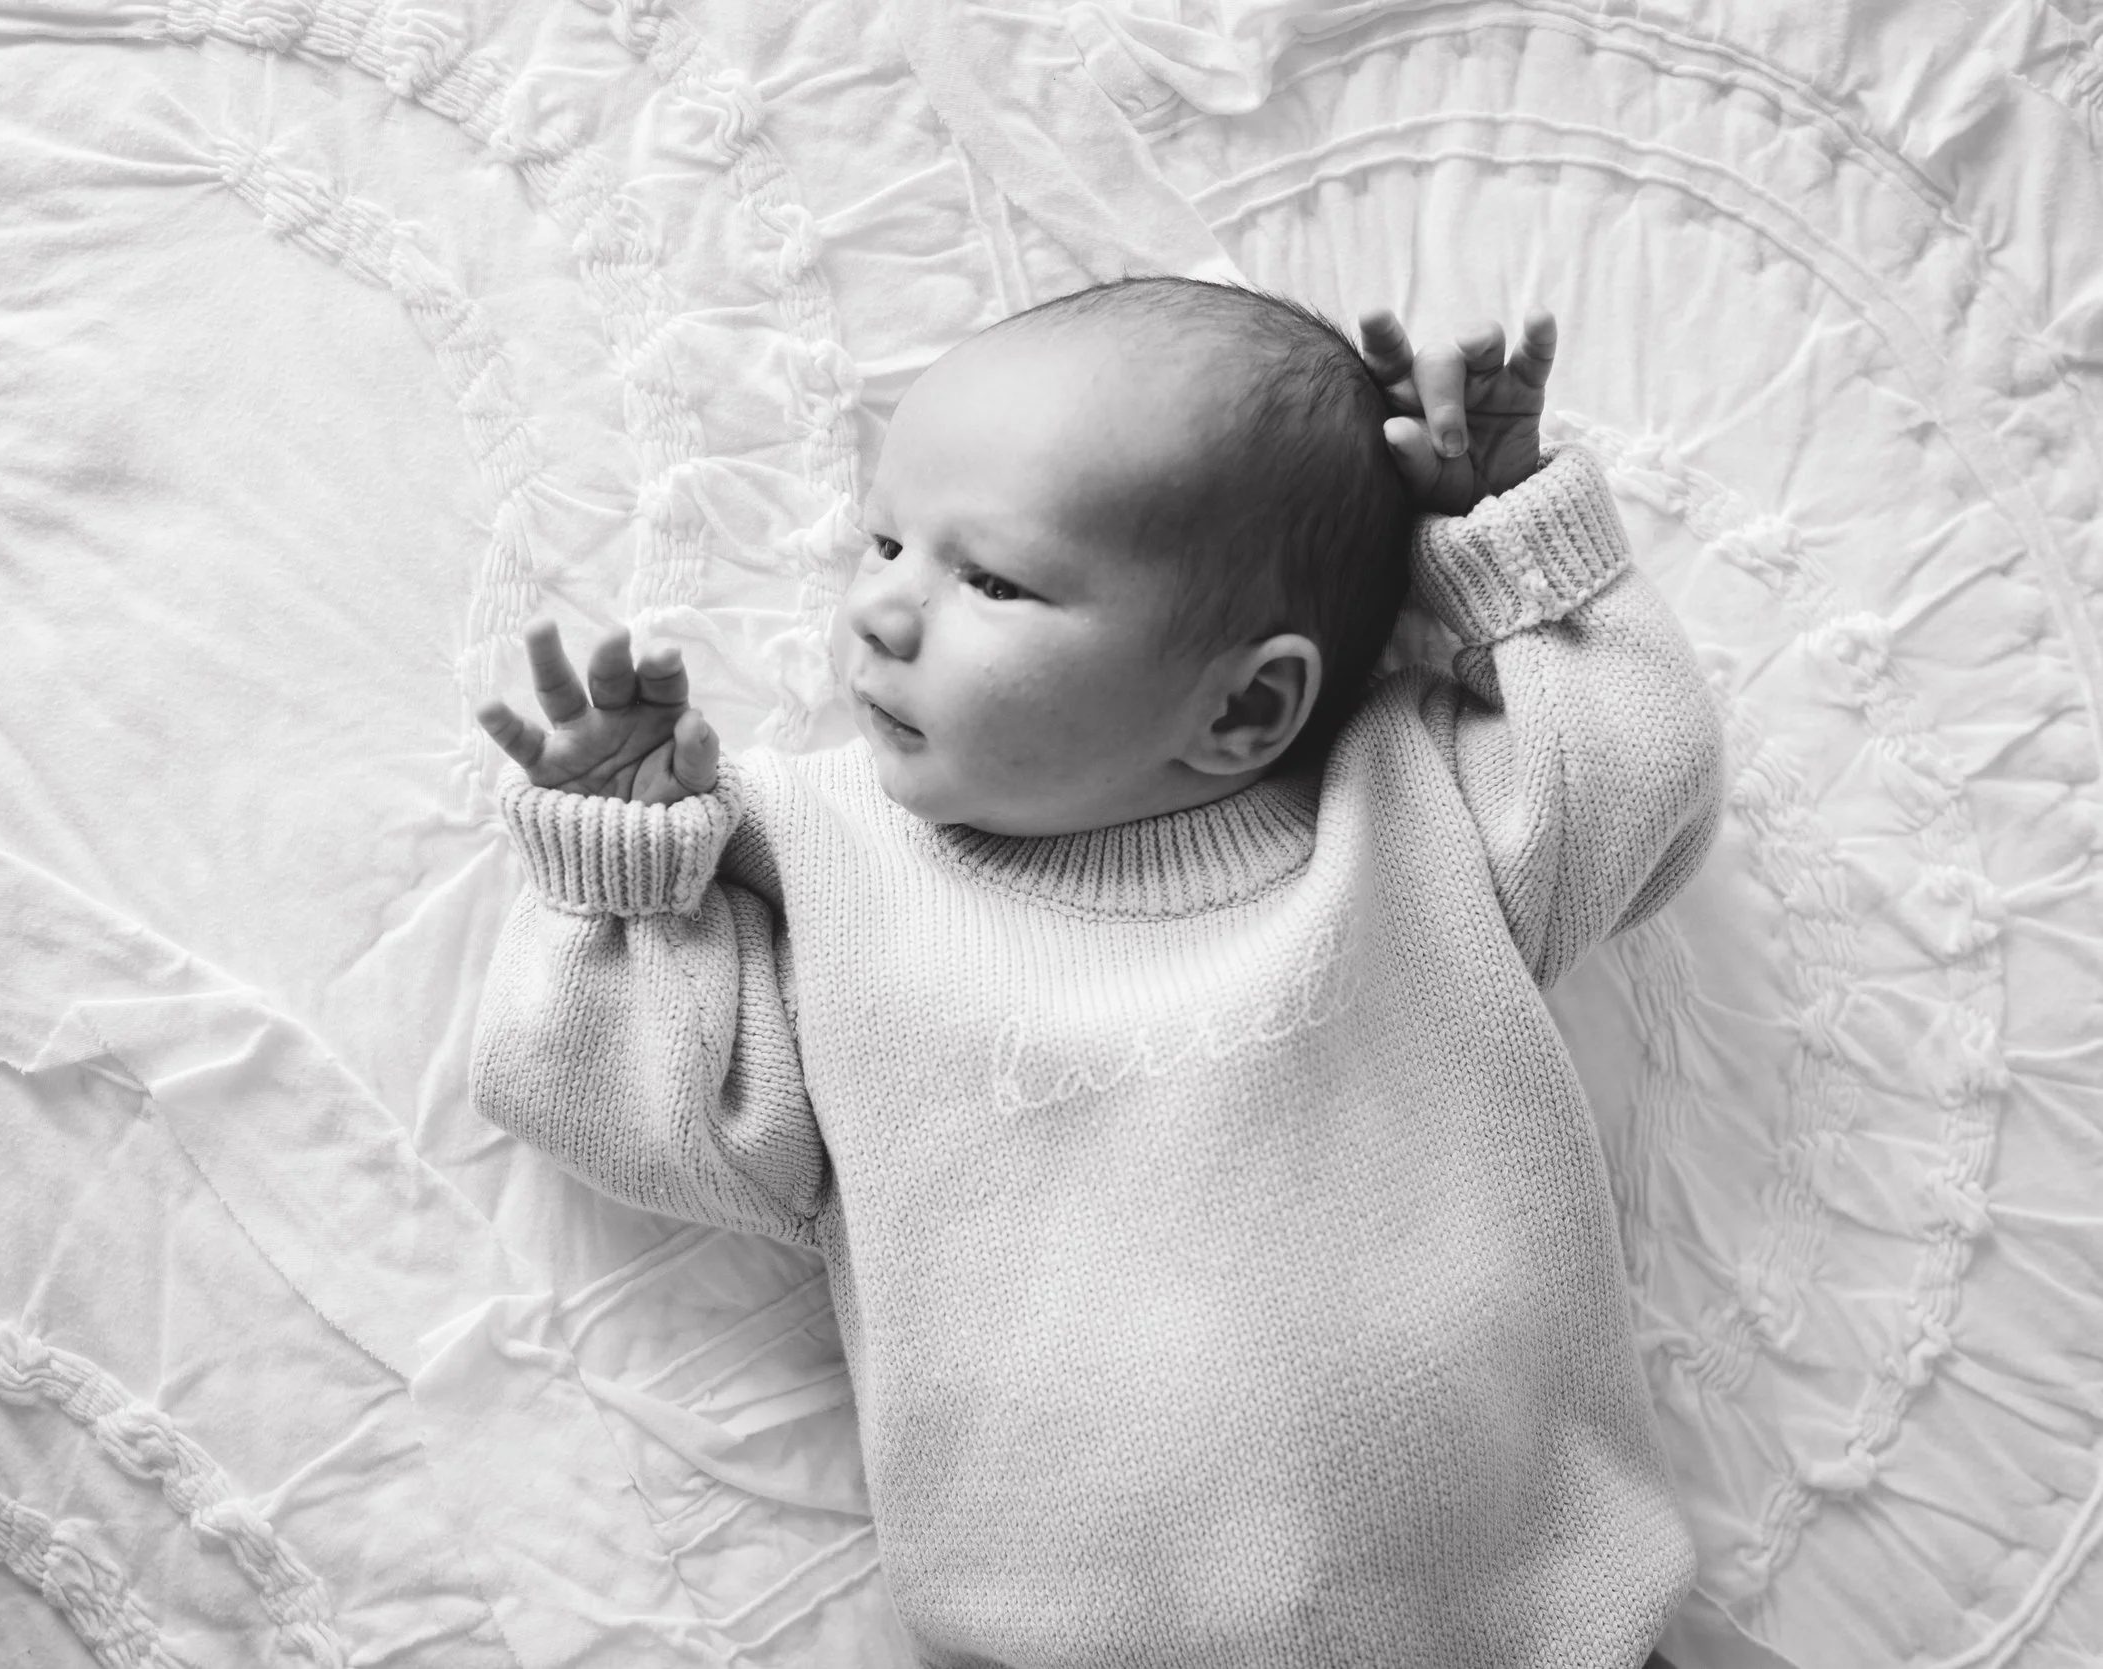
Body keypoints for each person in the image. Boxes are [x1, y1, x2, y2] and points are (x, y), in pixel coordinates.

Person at [470, 277, 1721, 1668]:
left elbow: (1636, 777)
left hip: (1538, 1634)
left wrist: (1508, 537)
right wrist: (624, 872)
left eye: (990, 579)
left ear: (1249, 705)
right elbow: (658, 1123)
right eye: (886, 541)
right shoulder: (825, 866)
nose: (882, 611)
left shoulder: (1410, 810)